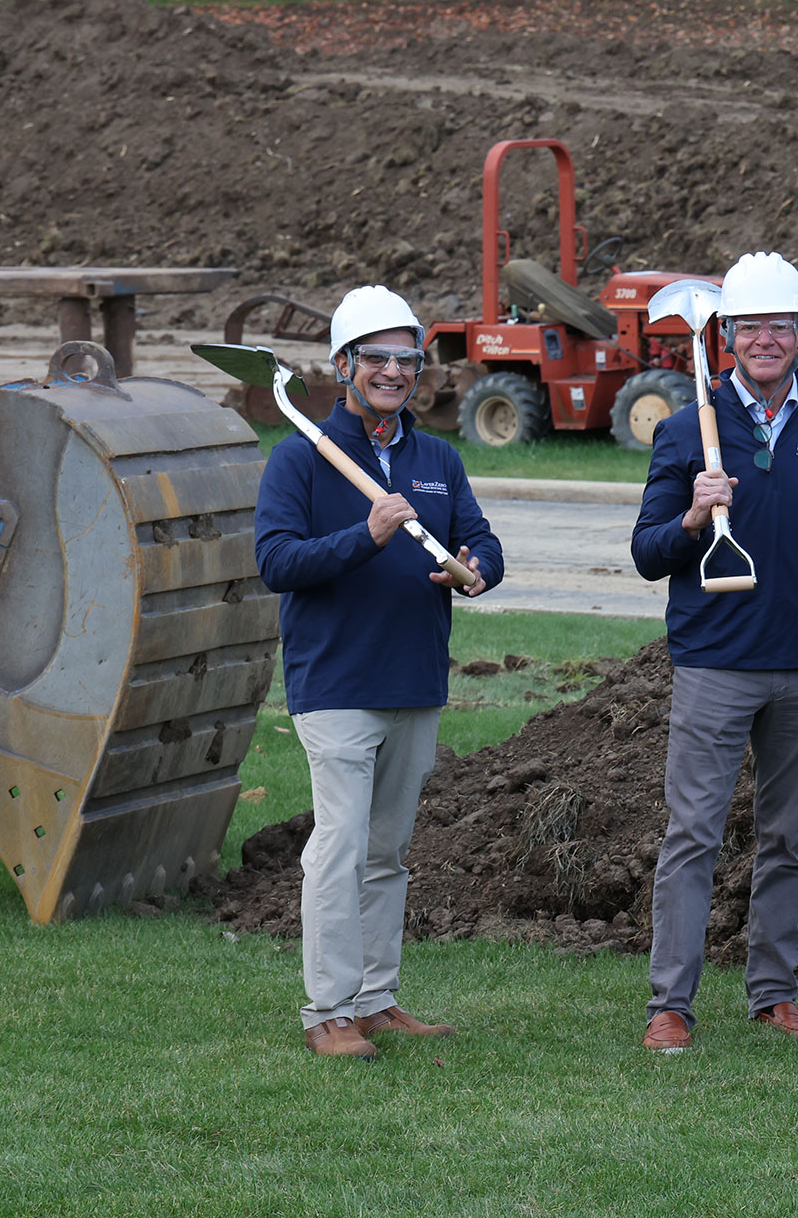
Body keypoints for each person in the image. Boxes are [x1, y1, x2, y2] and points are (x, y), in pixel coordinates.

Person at [631, 253, 798, 1053]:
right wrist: (694, 519)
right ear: (726, 336)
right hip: (714, 663)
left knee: (787, 840)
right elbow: (647, 553)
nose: (766, 340)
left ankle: (773, 992)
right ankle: (672, 1004)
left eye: (782, 326)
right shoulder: (683, 428)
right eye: (750, 327)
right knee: (693, 836)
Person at [254, 285, 500, 1060]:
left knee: (387, 851)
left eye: (407, 359)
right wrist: (365, 535)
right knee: (339, 844)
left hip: (415, 679)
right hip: (336, 685)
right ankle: (326, 1010)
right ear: (344, 365)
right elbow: (276, 563)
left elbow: (482, 539)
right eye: (378, 358)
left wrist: (476, 568)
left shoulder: (437, 458)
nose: (395, 372)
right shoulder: (300, 456)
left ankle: (375, 997)